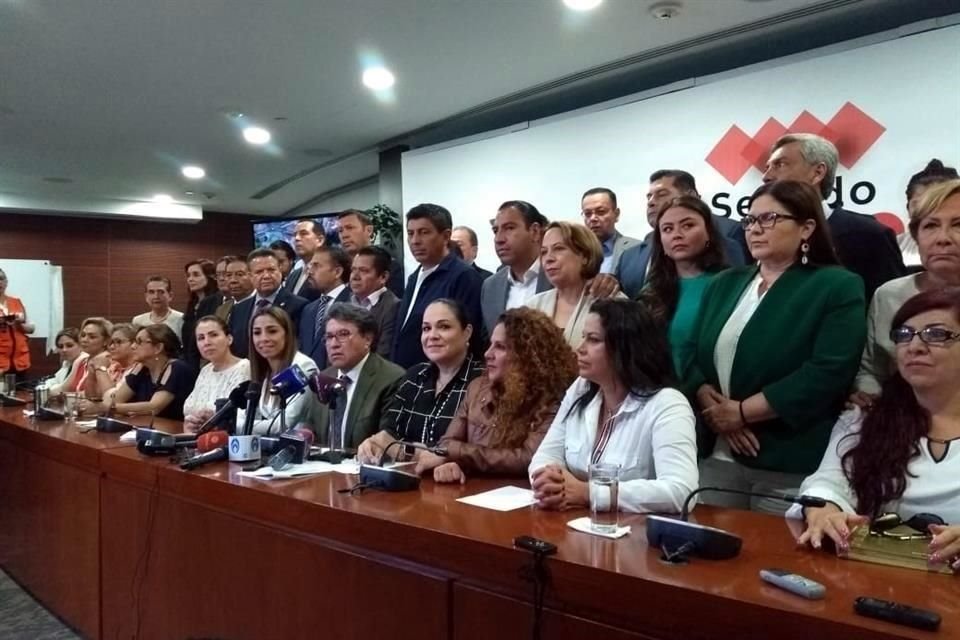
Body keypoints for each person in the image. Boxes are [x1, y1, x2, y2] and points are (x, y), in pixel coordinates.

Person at [684, 181, 866, 514]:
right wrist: (704, 395)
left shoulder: (836, 285)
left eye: (768, 219)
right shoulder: (725, 283)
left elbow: (827, 371)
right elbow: (694, 351)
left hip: (785, 457)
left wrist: (739, 413)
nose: (755, 229)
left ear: (806, 228)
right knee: (706, 554)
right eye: (750, 221)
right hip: (717, 453)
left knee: (772, 560)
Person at [794, 289, 960, 572]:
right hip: (877, 575)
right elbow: (828, 482)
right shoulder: (865, 418)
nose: (914, 346)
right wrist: (825, 509)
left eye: (935, 334)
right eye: (904, 334)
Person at [529, 299, 698, 513]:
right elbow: (544, 456)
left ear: (625, 347)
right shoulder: (581, 388)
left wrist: (589, 493)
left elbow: (681, 491)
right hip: (575, 524)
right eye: (583, 338)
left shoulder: (668, 404)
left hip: (635, 536)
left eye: (593, 339)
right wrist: (550, 481)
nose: (579, 349)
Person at [416, 307, 577, 483]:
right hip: (470, 492)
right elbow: (447, 443)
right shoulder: (477, 388)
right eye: (490, 344)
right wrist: (451, 464)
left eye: (500, 347)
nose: (487, 354)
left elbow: (529, 458)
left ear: (527, 356)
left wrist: (459, 454)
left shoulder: (552, 398)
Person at [762, 133, 905, 301]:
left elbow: (891, 308)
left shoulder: (869, 235)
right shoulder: (759, 235)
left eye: (780, 164)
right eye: (767, 167)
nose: (766, 177)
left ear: (817, 173)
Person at [854, 179, 960, 402]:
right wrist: (870, 400)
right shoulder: (888, 295)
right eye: (930, 226)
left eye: (958, 225)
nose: (943, 239)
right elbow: (871, 371)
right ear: (916, 236)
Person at [357, 299, 484, 464]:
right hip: (407, 479)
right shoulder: (414, 376)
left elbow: (477, 450)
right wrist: (373, 444)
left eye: (444, 327)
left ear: (467, 332)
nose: (432, 336)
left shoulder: (483, 380)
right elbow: (390, 434)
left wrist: (408, 452)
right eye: (426, 328)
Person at [617, 170, 747, 299]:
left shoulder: (729, 233)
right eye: (649, 197)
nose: (651, 202)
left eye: (661, 194)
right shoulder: (630, 255)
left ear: (690, 196)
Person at [639, 195, 729, 379]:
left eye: (687, 225)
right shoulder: (650, 291)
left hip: (717, 394)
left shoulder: (729, 284)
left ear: (709, 233)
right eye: (667, 229)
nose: (677, 235)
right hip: (661, 394)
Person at [392, 203, 485, 369]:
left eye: (424, 232)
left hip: (439, 380)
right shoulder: (414, 277)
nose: (415, 241)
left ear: (446, 236)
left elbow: (467, 339)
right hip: (407, 378)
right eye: (410, 233)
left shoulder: (464, 276)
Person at [308, 304, 405, 448]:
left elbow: (387, 441)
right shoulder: (323, 378)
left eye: (343, 334)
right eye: (329, 337)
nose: (333, 344)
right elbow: (313, 430)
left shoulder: (391, 379)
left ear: (367, 339)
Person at [525, 221, 625, 349]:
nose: (548, 258)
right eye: (544, 252)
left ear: (585, 256)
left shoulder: (614, 303)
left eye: (559, 248)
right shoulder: (532, 306)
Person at [81, 324, 196, 420]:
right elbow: (114, 399)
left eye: (139, 342)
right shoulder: (141, 368)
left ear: (158, 348)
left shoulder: (177, 368)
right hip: (147, 429)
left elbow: (154, 407)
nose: (133, 346)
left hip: (174, 433)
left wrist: (106, 408)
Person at [236, 307, 318, 435]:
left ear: (287, 333)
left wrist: (234, 425)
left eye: (272, 331)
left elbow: (281, 424)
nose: (264, 338)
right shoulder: (263, 370)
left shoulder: (303, 366)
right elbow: (245, 414)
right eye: (257, 333)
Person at [481, 200, 552, 335]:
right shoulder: (490, 287)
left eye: (509, 228)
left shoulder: (558, 277)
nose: (499, 239)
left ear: (535, 231)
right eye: (495, 231)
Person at [228, 249, 308, 358]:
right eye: (259, 272)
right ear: (250, 276)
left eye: (271, 270)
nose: (266, 276)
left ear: (280, 270)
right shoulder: (238, 309)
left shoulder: (299, 306)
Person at [183, 316, 251, 431]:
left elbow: (240, 416)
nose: (207, 342)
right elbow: (188, 412)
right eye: (201, 338)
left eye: (213, 335)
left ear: (229, 339)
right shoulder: (206, 370)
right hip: (195, 438)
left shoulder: (244, 367)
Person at [297, 246, 354, 369]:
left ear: (337, 272)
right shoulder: (308, 309)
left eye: (316, 266)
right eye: (310, 266)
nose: (310, 271)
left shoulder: (353, 304)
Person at [901, 159, 959, 267]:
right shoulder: (895, 245)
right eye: (919, 204)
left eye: (939, 203)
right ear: (908, 207)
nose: (928, 211)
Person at [337, 208, 404, 297]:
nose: (344, 235)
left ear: (369, 230)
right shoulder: (339, 269)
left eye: (350, 228)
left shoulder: (388, 265)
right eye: (340, 231)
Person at [349, 246, 399, 357]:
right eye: (353, 270)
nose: (355, 276)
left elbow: (383, 354)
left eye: (363, 271)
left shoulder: (393, 307)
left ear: (383, 277)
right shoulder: (345, 302)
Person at [580, 187, 640, 274]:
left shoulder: (637, 249)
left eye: (600, 212)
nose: (593, 218)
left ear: (616, 214)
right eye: (587, 214)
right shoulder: (573, 253)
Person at [84, 323, 137, 402]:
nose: (112, 347)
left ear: (134, 344)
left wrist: (100, 368)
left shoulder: (138, 370)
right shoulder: (113, 367)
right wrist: (91, 373)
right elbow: (92, 397)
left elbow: (110, 400)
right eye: (111, 343)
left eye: (118, 342)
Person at [181, 259, 219, 370]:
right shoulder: (192, 305)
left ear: (210, 276)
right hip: (191, 362)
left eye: (196, 275)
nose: (190, 279)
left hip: (208, 362)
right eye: (188, 275)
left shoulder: (217, 302)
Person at [0, 268, 34, 378]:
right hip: (1, 363)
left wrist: (18, 323)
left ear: (6, 282)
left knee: (20, 393)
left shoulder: (16, 302)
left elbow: (31, 328)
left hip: (20, 361)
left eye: (1, 279)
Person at [284, 219, 325, 300]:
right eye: (295, 234)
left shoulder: (326, 273)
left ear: (320, 240)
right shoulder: (293, 275)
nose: (297, 238)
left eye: (303, 233)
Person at [218, 255, 254, 322]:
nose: (233, 280)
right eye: (228, 275)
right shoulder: (222, 309)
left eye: (239, 274)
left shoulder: (261, 305)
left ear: (252, 275)